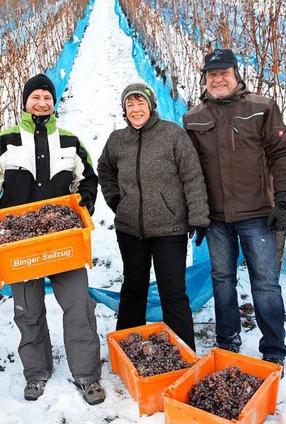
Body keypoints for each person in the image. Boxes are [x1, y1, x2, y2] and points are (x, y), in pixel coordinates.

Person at [0, 74, 104, 405]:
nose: (41, 103)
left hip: (63, 238)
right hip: (18, 242)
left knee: (77, 305)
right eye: (35, 97)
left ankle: (86, 374)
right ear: (25, 102)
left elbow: (87, 180)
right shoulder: (6, 140)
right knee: (27, 308)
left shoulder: (70, 141)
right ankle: (36, 371)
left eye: (47, 97)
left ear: (54, 102)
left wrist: (84, 201)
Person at [183, 48, 286, 369]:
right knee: (222, 279)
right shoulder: (193, 117)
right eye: (211, 74)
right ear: (205, 79)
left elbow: (281, 154)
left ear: (236, 75)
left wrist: (284, 198)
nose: (218, 79)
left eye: (224, 73)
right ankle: (227, 342)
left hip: (257, 213)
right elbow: (192, 172)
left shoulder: (261, 108)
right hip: (217, 219)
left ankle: (274, 348)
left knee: (265, 281)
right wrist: (198, 214)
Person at [97, 82, 209, 350]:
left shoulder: (173, 135)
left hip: (169, 229)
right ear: (125, 110)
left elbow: (192, 175)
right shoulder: (117, 140)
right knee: (133, 289)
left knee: (173, 292)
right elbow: (104, 170)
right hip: (130, 229)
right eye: (130, 104)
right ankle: (128, 348)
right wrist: (116, 201)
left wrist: (198, 216)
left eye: (140, 103)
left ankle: (183, 352)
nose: (135, 109)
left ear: (151, 105)